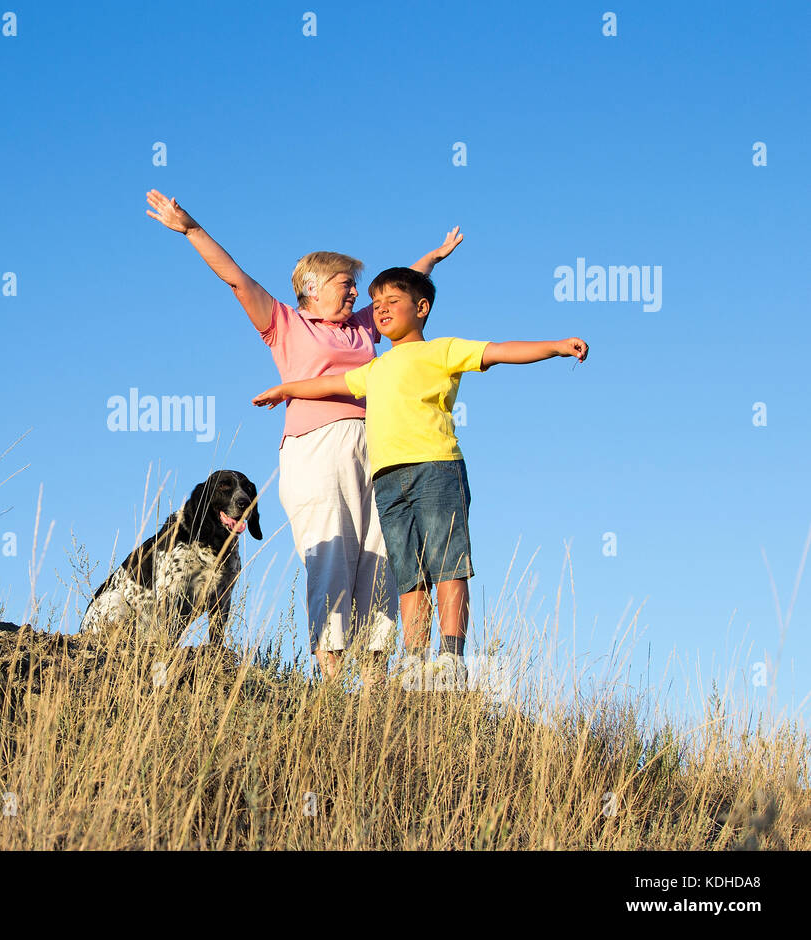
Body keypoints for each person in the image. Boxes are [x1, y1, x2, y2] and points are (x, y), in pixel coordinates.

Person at [145, 190, 461, 677]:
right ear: (312, 287)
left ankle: (375, 679)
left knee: (380, 556)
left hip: (375, 449)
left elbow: (398, 293)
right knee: (332, 553)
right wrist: (190, 228)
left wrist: (431, 261)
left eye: (356, 286)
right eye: (347, 284)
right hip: (315, 451)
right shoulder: (286, 324)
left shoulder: (360, 328)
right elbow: (235, 278)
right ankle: (333, 678)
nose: (357, 293)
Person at [252, 266, 589, 684]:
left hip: (436, 468)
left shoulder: (443, 350)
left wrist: (554, 346)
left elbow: (499, 351)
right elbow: (329, 384)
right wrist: (285, 390)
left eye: (393, 303)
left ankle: (450, 657)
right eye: (376, 305)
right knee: (407, 576)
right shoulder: (375, 368)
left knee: (447, 565)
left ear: (422, 307)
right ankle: (413, 662)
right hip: (388, 479)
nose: (380, 310)